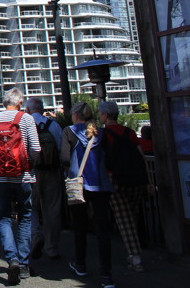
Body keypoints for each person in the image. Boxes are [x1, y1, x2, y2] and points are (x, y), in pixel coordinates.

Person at [0, 87, 40, 285]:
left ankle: (11, 259)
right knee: (25, 217)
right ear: (20, 103)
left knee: (4, 218)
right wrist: (31, 164)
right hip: (23, 177)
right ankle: (23, 265)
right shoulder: (26, 119)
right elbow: (36, 148)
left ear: (4, 102)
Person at [62, 101, 113, 288]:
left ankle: (80, 263)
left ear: (75, 115)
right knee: (103, 230)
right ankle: (106, 274)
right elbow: (109, 157)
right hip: (100, 184)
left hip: (78, 184)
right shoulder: (100, 132)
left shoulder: (69, 131)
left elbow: (65, 158)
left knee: (80, 226)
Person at [98, 100, 149, 273]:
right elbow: (140, 155)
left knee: (124, 219)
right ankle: (134, 250)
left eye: (100, 113)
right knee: (132, 215)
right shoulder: (129, 132)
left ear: (105, 115)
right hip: (136, 179)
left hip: (114, 179)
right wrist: (148, 180)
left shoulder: (103, 134)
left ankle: (135, 258)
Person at [25, 97, 63, 261]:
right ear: (42, 109)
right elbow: (61, 148)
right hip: (52, 171)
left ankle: (35, 236)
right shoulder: (53, 125)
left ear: (27, 110)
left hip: (31, 172)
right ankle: (52, 247)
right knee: (52, 208)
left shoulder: (24, 125)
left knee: (30, 207)